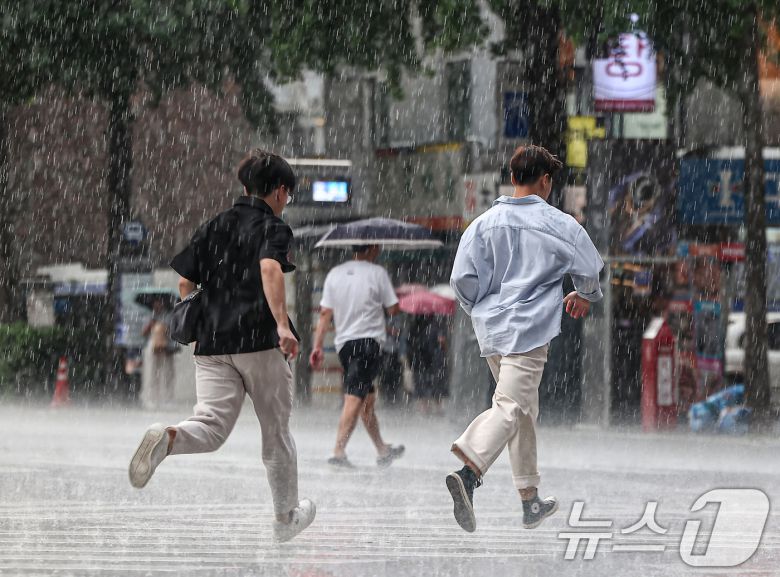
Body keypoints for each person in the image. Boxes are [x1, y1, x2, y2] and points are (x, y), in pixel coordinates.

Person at [128, 149, 316, 543]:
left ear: (245, 187)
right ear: (281, 192)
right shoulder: (273, 228)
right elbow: (269, 268)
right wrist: (283, 325)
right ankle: (285, 519)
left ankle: (167, 437)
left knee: (210, 426)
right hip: (259, 342)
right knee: (276, 434)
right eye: (289, 195)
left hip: (212, 342)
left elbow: (184, 283)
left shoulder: (214, 225)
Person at [446, 145, 603, 532]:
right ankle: (469, 471)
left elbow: (462, 281)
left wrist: (483, 310)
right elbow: (589, 266)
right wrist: (584, 296)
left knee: (522, 409)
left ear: (514, 177)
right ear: (545, 180)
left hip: (493, 330)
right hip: (530, 331)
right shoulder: (559, 224)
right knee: (511, 407)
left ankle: (529, 499)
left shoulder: (483, 224)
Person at [309, 245, 405, 469]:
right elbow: (393, 310)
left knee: (366, 399)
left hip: (344, 345)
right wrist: (398, 301)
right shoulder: (377, 273)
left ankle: (382, 450)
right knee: (354, 397)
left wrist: (317, 346)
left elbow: (324, 313)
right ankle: (338, 452)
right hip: (368, 343)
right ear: (372, 248)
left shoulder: (335, 273)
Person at [406, 314, 449, 414]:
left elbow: (409, 342)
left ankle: (425, 406)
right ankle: (434, 406)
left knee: (423, 381)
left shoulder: (414, 325)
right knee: (434, 381)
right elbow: (443, 344)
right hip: (430, 357)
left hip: (421, 357)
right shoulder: (437, 324)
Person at [140, 297, 177, 409]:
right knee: (152, 374)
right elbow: (143, 333)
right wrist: (151, 324)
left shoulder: (169, 315)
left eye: (160, 302)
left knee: (168, 374)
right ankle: (152, 399)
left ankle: (168, 399)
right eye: (155, 302)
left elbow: (174, 330)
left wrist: (164, 327)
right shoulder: (149, 315)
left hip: (167, 347)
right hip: (152, 347)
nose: (157, 304)